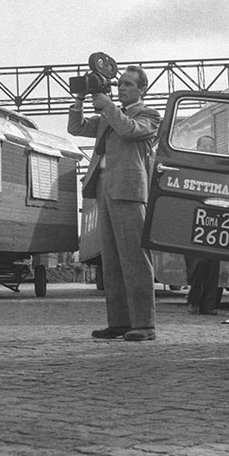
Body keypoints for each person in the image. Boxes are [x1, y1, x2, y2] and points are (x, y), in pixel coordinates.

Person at [68, 65, 161, 341]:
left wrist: (107, 106)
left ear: (141, 89)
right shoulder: (110, 114)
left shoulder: (149, 115)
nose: (121, 88)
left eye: (128, 85)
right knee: (112, 260)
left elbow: (129, 130)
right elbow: (76, 127)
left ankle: (145, 324)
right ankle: (119, 321)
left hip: (130, 189)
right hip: (105, 186)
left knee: (135, 258)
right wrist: (80, 98)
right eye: (120, 84)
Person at [185, 135, 221, 315]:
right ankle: (193, 299)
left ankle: (208, 304)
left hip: (215, 218)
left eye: (210, 146)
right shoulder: (190, 165)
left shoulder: (221, 167)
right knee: (197, 262)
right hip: (194, 216)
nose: (207, 148)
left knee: (214, 262)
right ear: (197, 147)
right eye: (204, 145)